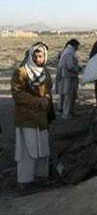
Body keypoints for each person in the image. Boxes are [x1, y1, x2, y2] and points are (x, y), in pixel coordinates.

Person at [10, 42, 52, 190]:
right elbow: (18, 95)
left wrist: (46, 99)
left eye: (40, 56)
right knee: (27, 151)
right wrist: (39, 101)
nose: (37, 59)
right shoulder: (21, 72)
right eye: (35, 56)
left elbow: (48, 90)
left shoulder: (44, 73)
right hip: (26, 118)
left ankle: (41, 177)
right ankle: (24, 182)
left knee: (43, 149)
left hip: (41, 119)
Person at [57, 39, 81, 119]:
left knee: (70, 96)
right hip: (69, 77)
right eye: (77, 46)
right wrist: (78, 69)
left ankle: (69, 112)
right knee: (69, 96)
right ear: (74, 45)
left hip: (68, 77)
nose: (78, 48)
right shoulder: (69, 53)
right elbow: (70, 66)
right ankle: (66, 114)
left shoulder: (68, 51)